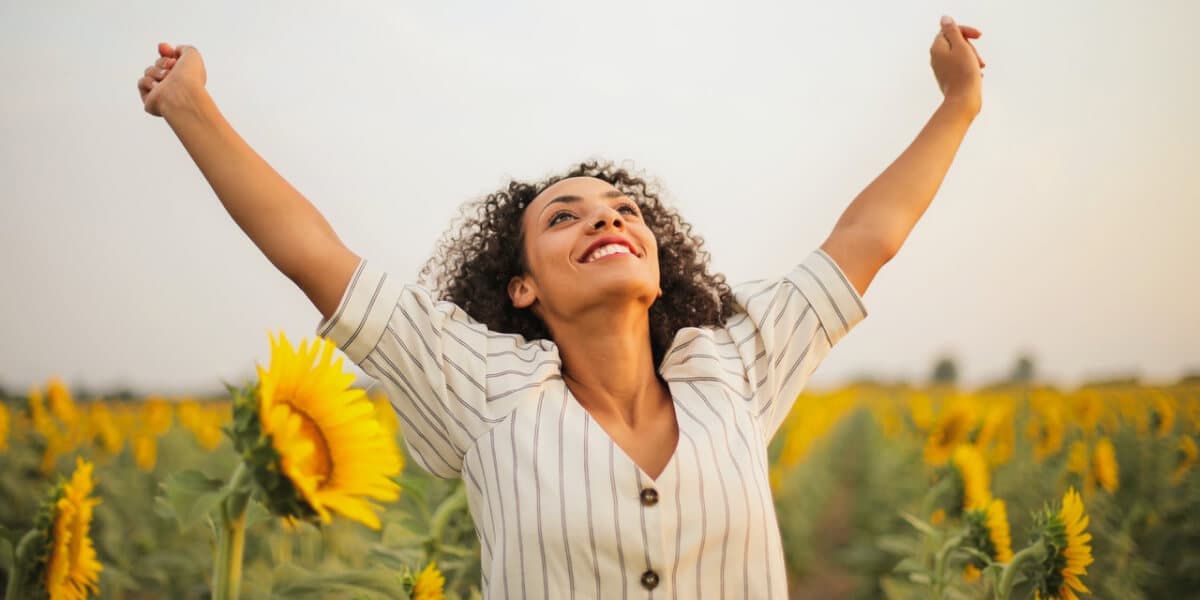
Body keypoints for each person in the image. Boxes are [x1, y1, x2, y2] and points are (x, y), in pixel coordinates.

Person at [137, 15, 985, 599]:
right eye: (564, 216)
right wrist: (190, 104)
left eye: (623, 210)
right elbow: (313, 255)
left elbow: (866, 237)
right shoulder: (480, 389)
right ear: (523, 287)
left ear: (658, 264)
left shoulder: (733, 365)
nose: (606, 218)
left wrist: (957, 105)